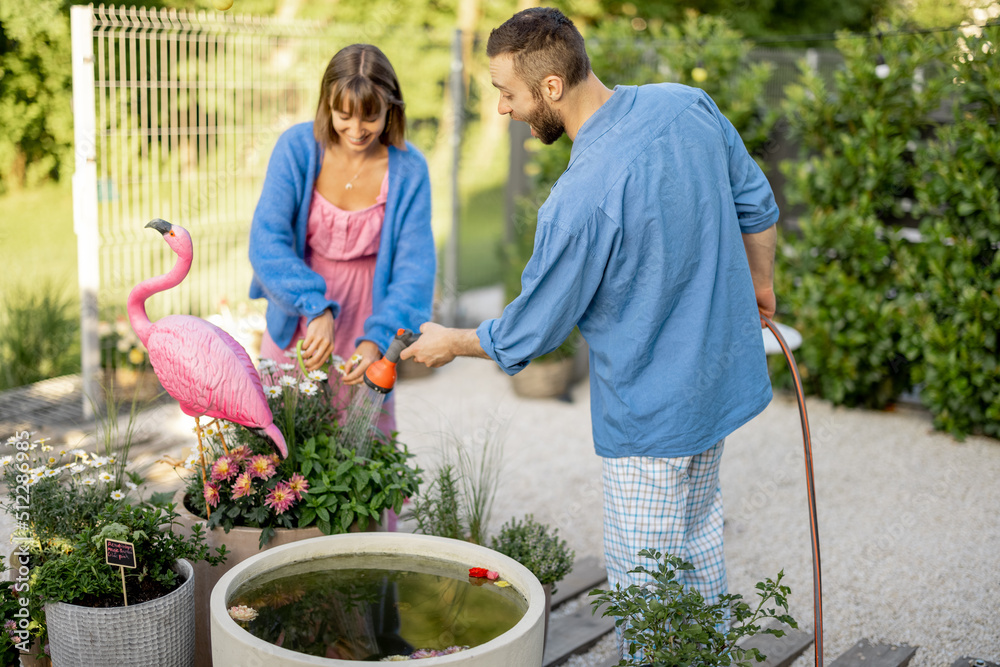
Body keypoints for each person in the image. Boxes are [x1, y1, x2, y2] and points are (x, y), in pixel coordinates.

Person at [401, 7, 778, 658]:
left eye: (507, 93)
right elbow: (757, 202)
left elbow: (531, 328)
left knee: (646, 597)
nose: (502, 110)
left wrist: (452, 340)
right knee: (699, 545)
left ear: (551, 88)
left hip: (648, 422)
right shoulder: (687, 105)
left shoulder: (581, 196)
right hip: (713, 394)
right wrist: (761, 287)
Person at [249, 43, 435, 444]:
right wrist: (315, 308)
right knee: (282, 441)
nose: (355, 130)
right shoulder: (297, 148)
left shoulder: (409, 169)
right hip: (300, 311)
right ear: (326, 105)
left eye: (370, 116)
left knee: (361, 447)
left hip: (372, 317)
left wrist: (378, 341)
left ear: (391, 109)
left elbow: (414, 273)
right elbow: (267, 242)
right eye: (343, 116)